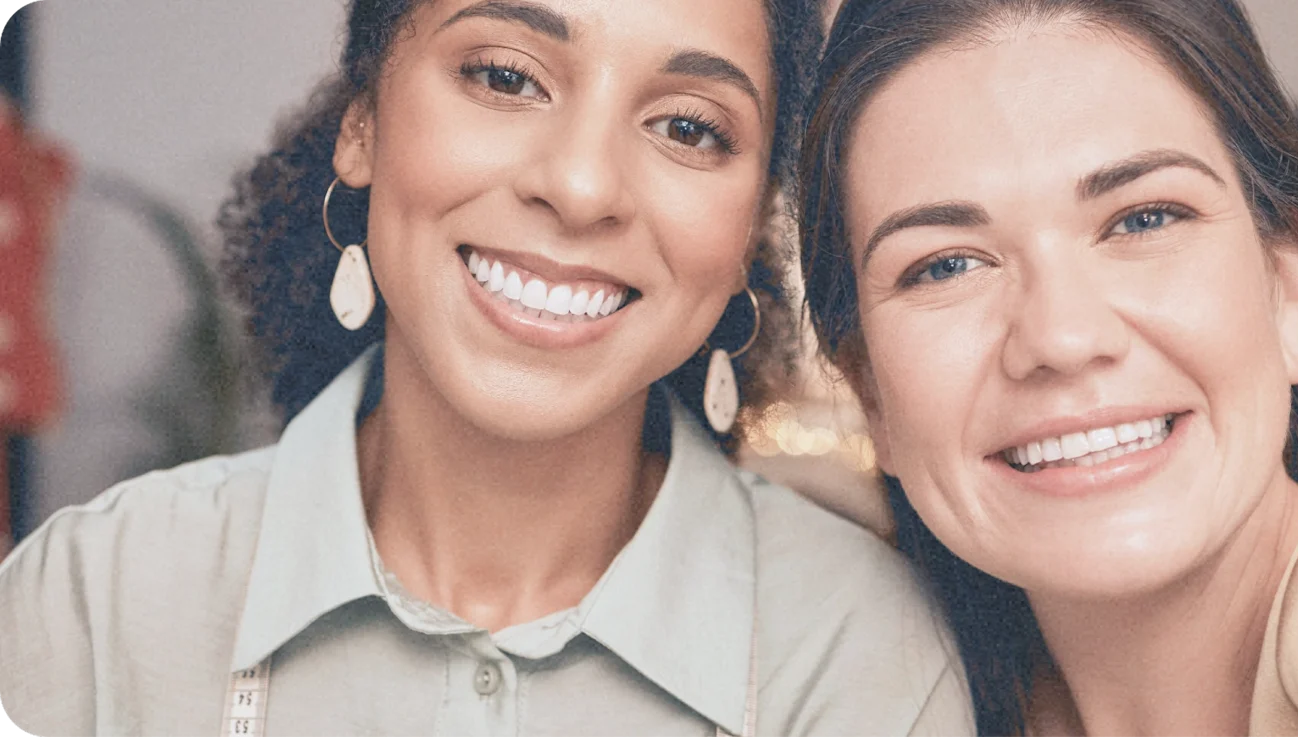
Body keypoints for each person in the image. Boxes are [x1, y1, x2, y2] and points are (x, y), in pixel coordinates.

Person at [0, 1, 975, 735]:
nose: (582, 184)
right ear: (362, 123)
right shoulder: (97, 595)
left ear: (747, 225)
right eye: (506, 77)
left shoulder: (855, 646)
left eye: (688, 127)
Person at [798, 0, 1298, 735]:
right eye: (945, 265)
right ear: (871, 395)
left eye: (1144, 217)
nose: (1063, 336)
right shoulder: (881, 691)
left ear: (1291, 286)